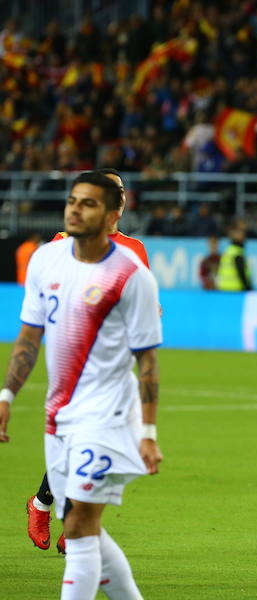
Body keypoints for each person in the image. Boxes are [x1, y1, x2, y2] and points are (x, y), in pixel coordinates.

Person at [0, 171, 163, 599]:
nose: (75, 208)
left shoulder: (132, 264)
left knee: (79, 528)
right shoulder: (47, 258)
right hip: (59, 411)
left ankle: (47, 510)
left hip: (108, 408)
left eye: (88, 202)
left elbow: (148, 353)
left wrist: (148, 431)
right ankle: (41, 503)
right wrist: (7, 394)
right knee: (81, 526)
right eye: (73, 200)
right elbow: (29, 335)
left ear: (113, 211)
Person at [27, 167, 151, 555]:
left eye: (120, 189)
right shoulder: (64, 241)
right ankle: (61, 512)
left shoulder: (134, 248)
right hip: (75, 360)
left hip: (116, 362)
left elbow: (143, 300)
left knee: (104, 446)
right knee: (84, 439)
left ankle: (54, 507)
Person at [217, 225, 252, 291]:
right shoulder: (237, 252)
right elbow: (241, 273)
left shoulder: (228, 251)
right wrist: (248, 288)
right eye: (240, 234)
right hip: (235, 289)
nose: (243, 236)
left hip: (223, 288)